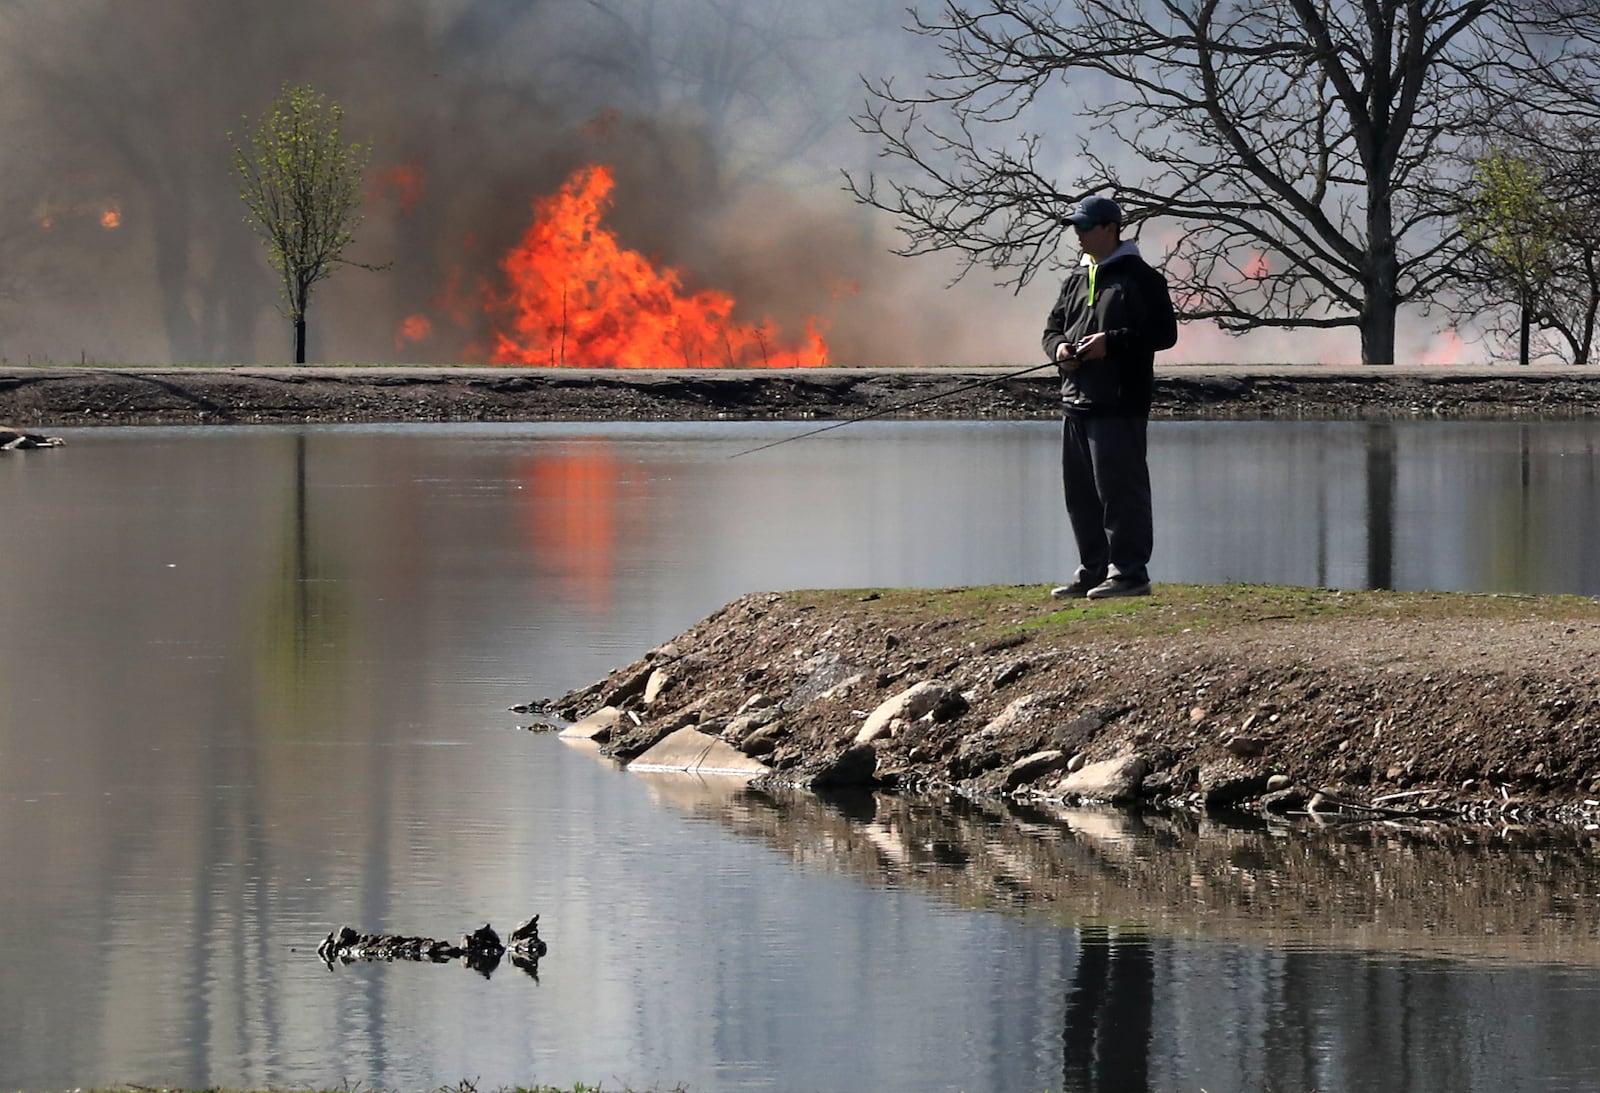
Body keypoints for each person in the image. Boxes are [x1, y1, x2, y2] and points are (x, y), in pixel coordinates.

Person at [1041, 195, 1178, 600]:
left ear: (1109, 228)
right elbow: (1051, 330)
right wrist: (1060, 351)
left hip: (1120, 404)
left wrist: (1111, 344)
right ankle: (1093, 571)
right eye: (1076, 227)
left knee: (1121, 492)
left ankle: (1131, 574)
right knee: (1081, 497)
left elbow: (1163, 335)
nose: (1077, 234)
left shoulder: (1142, 278)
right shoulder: (1075, 279)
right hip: (1075, 403)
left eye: (1084, 227)